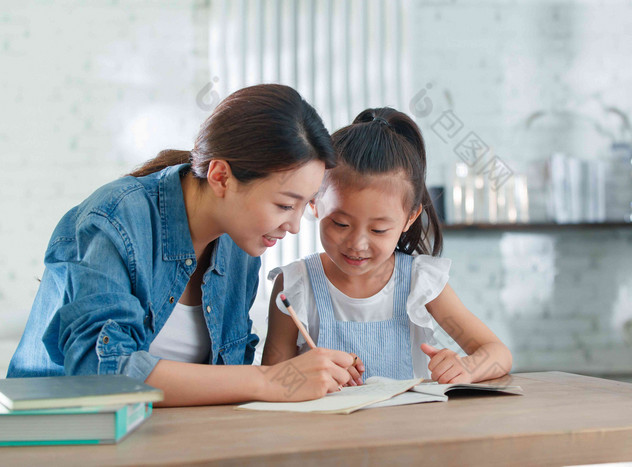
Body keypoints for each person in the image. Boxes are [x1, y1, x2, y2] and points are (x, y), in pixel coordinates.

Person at [7, 84, 357, 406]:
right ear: (220, 176)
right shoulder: (113, 220)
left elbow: (228, 379)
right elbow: (101, 373)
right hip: (64, 440)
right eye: (284, 205)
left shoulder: (241, 245)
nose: (294, 226)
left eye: (304, 205)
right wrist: (271, 380)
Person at [262, 108, 512, 385]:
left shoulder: (420, 281)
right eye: (341, 224)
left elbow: (497, 353)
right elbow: (273, 381)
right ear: (314, 203)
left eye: (378, 229)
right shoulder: (295, 284)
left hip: (405, 428)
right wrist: (302, 375)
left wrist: (467, 368)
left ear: (410, 218)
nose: (357, 244)